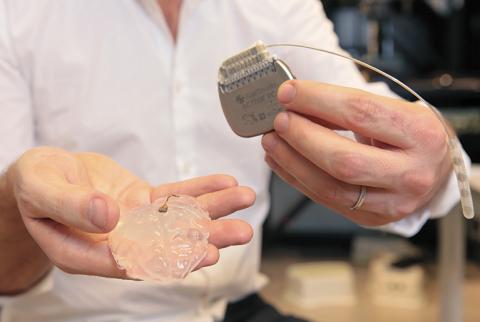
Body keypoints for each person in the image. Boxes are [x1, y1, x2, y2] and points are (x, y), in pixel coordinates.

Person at [0, 0, 467, 321]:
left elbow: (369, 124)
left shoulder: (275, 6)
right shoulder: (19, 15)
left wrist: (434, 161)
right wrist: (21, 197)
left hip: (235, 306)